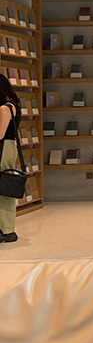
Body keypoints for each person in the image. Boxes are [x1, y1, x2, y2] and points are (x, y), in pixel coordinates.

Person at [0, 74, 22, 244]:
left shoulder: (4, 108)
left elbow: (0, 134)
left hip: (3, 148)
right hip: (9, 147)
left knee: (3, 187)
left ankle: (5, 229)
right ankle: (6, 229)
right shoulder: (14, 105)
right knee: (5, 187)